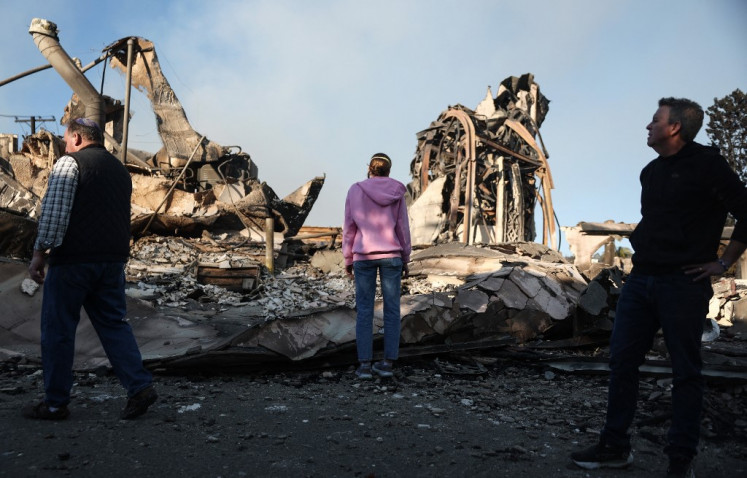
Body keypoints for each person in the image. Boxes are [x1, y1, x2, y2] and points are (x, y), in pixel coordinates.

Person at [570, 98, 747, 477]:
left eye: (655, 120)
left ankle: (679, 461)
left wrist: (723, 263)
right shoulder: (650, 172)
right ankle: (614, 446)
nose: (647, 126)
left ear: (675, 128)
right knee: (621, 362)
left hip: (683, 283)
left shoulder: (708, 165)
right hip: (641, 280)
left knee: (685, 370)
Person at [23, 117, 157, 420]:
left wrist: (38, 254)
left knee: (58, 330)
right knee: (114, 324)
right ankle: (139, 386)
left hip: (73, 261)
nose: (64, 145)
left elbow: (55, 215)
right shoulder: (121, 172)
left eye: (66, 140)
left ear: (78, 139)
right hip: (111, 262)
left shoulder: (69, 164)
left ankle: (55, 403)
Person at [343, 153, 411, 379]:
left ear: (369, 168)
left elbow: (349, 228)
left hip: (363, 256)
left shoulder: (355, 190)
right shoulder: (396, 192)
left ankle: (364, 366)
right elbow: (402, 227)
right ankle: (387, 364)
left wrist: (347, 258)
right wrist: (406, 256)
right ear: (388, 171)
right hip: (392, 256)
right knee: (392, 310)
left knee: (364, 310)